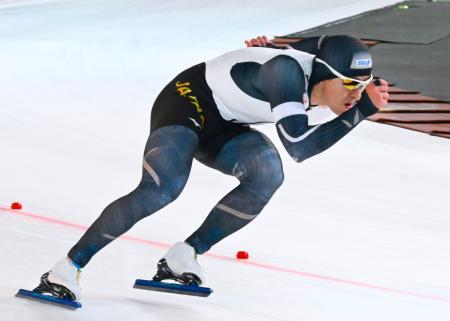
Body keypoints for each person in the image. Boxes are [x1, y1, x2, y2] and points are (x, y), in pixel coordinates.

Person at [32, 35, 389, 302]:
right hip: (188, 100)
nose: (355, 94)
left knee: (268, 174)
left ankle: (182, 256)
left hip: (228, 120)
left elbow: (318, 44)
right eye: (348, 85)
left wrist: (273, 44)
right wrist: (362, 113)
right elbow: (299, 146)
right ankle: (65, 269)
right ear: (324, 75)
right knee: (161, 188)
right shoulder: (287, 73)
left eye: (363, 86)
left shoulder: (321, 69)